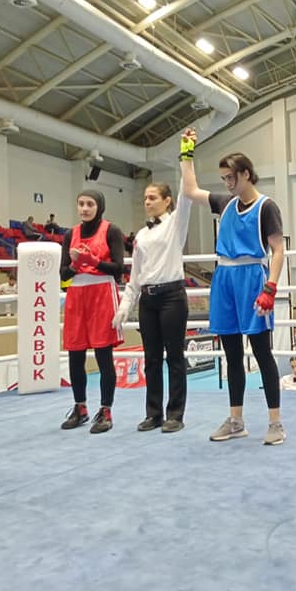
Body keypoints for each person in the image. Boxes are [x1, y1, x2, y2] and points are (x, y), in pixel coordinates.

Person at [180, 128, 286, 445]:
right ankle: (236, 421)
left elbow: (278, 249)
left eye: (231, 177)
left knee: (262, 352)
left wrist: (270, 288)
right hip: (224, 278)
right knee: (231, 353)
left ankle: (276, 423)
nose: (227, 183)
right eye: (224, 178)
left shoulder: (266, 206)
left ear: (246, 174)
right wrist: (186, 154)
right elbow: (190, 190)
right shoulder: (225, 203)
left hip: (252, 277)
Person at [112, 178, 192, 433]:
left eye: (153, 197)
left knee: (175, 358)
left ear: (167, 201)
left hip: (172, 297)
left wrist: (186, 160)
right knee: (152, 359)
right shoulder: (142, 235)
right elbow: (135, 276)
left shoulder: (176, 223)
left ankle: (175, 414)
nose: (147, 202)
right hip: (147, 299)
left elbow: (187, 196)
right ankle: (154, 413)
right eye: (145, 198)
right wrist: (125, 306)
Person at [60, 189, 125, 434]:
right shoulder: (70, 234)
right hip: (77, 294)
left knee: (103, 354)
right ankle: (80, 408)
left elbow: (118, 268)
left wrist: (92, 261)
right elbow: (62, 274)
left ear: (99, 207)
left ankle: (106, 411)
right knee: (75, 354)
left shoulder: (111, 230)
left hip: (102, 293)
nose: (85, 208)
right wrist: (76, 264)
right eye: (81, 204)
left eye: (90, 204)